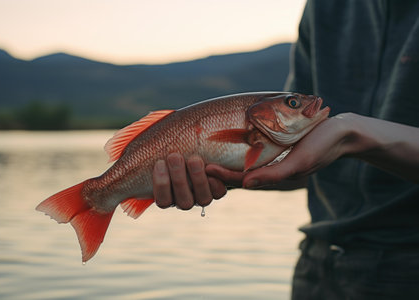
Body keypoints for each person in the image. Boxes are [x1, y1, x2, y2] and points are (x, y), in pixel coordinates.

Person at [152, 0, 419, 299]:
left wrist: (356, 134)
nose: (304, 104)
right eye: (293, 103)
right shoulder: (323, 7)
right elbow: (300, 164)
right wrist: (227, 169)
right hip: (318, 262)